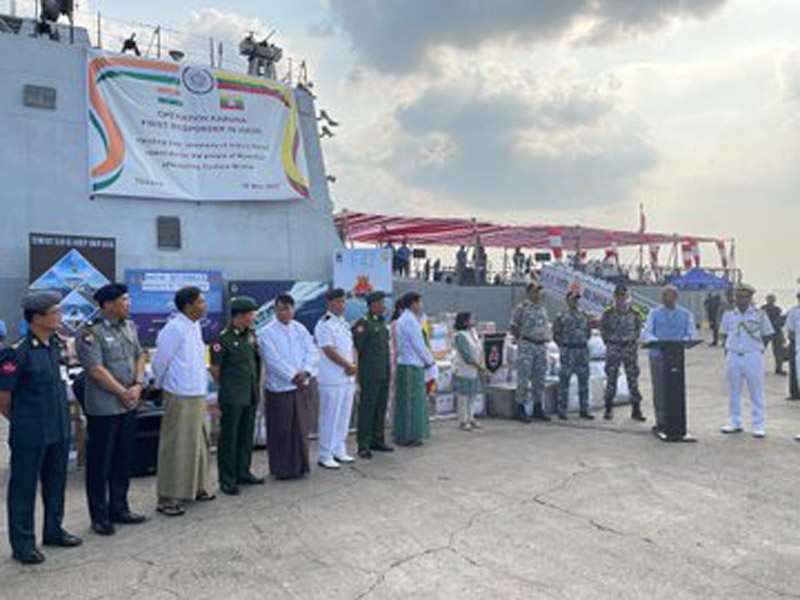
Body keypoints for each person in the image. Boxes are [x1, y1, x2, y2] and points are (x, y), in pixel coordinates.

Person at [0, 292, 82, 564]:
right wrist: (22, 421)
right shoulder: (17, 352)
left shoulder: (57, 345)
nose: (60, 316)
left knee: (56, 483)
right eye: (55, 312)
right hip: (31, 432)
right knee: (23, 489)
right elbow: (3, 397)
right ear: (37, 318)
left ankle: (53, 530)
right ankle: (23, 544)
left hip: (59, 428)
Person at [77, 283, 146, 536]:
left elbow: (140, 355)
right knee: (100, 463)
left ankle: (119, 507)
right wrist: (123, 392)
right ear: (108, 304)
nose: (128, 304)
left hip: (129, 404)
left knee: (123, 458)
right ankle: (99, 516)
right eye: (124, 300)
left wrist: (138, 384)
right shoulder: (90, 332)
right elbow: (96, 370)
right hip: (105, 407)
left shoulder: (129, 326)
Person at [152, 286, 214, 517]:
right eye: (201, 302)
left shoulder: (194, 325)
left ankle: (195, 488)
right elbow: (160, 362)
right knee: (176, 446)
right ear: (188, 306)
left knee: (199, 443)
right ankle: (167, 497)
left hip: (197, 392)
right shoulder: (174, 328)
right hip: (180, 393)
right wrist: (160, 386)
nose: (205, 305)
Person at [258, 294, 318, 480]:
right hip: (280, 388)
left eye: (287, 309)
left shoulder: (300, 328)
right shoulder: (266, 332)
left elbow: (311, 351)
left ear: (293, 309)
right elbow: (272, 360)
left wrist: (306, 371)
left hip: (301, 385)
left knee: (300, 427)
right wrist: (293, 375)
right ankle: (282, 469)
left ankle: (300, 467)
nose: (283, 313)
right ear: (275, 311)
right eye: (280, 309)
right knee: (281, 429)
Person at [210, 296, 264, 496]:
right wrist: (229, 388)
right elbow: (215, 370)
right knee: (229, 438)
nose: (254, 317)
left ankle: (243, 472)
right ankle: (227, 479)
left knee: (246, 435)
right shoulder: (222, 339)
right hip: (232, 397)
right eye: (251, 314)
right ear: (240, 316)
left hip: (250, 394)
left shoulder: (250, 335)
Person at [720, 284, 774, 438]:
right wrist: (728, 352)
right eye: (737, 297)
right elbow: (724, 334)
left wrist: (757, 348)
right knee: (733, 391)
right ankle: (734, 422)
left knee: (756, 391)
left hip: (753, 355)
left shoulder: (759, 315)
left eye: (743, 297)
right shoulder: (729, 315)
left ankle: (758, 425)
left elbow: (767, 334)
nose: (740, 300)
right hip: (733, 355)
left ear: (750, 298)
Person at [641, 285, 697, 435]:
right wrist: (658, 342)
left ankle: (677, 422)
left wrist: (683, 341)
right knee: (659, 389)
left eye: (668, 296)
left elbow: (691, 334)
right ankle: (661, 422)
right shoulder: (654, 313)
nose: (665, 299)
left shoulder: (685, 314)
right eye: (663, 296)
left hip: (676, 356)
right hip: (658, 355)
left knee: (676, 388)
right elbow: (647, 332)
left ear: (675, 297)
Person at [315, 288, 357, 469]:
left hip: (347, 377)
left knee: (343, 416)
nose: (341, 305)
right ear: (329, 303)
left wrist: (353, 366)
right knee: (330, 417)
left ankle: (339, 449)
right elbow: (328, 349)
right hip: (332, 378)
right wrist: (347, 365)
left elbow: (350, 348)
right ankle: (325, 454)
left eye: (343, 301)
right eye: (338, 302)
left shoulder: (343, 323)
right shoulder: (324, 324)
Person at [352, 291, 394, 458]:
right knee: (367, 409)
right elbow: (356, 350)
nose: (384, 306)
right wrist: (356, 375)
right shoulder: (363, 324)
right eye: (381, 303)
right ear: (373, 305)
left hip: (383, 373)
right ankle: (363, 443)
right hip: (369, 374)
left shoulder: (381, 324)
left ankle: (377, 440)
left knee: (380, 408)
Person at [393, 292, 435, 446]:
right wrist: (430, 361)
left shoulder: (408, 319)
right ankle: (409, 436)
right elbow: (419, 345)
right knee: (412, 403)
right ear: (413, 304)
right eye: (420, 302)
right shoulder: (409, 321)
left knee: (410, 402)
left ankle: (407, 434)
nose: (421, 306)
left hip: (409, 363)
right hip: (411, 365)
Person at [600, 284, 646, 422]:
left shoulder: (635, 313)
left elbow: (638, 329)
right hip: (614, 347)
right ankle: (608, 408)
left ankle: (636, 409)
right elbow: (603, 330)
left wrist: (631, 341)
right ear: (614, 297)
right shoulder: (608, 313)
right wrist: (610, 343)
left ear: (627, 297)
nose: (621, 299)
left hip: (629, 348)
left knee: (632, 379)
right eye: (618, 296)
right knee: (611, 378)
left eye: (623, 296)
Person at [510, 282, 551, 423]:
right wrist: (522, 340)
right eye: (534, 291)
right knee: (524, 378)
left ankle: (537, 407)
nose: (537, 294)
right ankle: (520, 408)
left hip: (540, 346)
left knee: (539, 379)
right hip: (527, 345)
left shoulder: (542, 309)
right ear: (528, 293)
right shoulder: (521, 308)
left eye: (539, 292)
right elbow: (514, 327)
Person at [552, 290, 594, 420]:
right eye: (573, 299)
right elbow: (556, 334)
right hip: (568, 351)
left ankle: (584, 409)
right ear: (567, 301)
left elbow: (588, 332)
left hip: (582, 351)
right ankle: (562, 410)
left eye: (577, 299)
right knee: (564, 381)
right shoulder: (561, 316)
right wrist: (564, 346)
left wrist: (582, 341)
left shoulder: (584, 315)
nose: (575, 302)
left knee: (584, 381)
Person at [452, 312, 486, 431]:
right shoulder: (460, 335)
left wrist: (481, 364)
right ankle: (463, 420)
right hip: (464, 369)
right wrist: (478, 366)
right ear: (465, 321)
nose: (473, 320)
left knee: (472, 395)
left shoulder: (473, 333)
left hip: (474, 370)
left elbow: (479, 349)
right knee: (463, 396)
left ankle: (471, 418)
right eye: (471, 319)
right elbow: (466, 355)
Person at [761, 294, 786, 375]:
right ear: (767, 300)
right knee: (759, 350)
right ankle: (755, 366)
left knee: (779, 352)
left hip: (776, 332)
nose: (771, 301)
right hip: (766, 332)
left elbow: (780, 322)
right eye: (770, 299)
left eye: (772, 299)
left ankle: (779, 369)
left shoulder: (777, 309)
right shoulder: (763, 309)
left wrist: (782, 336)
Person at [787, 291, 800, 402]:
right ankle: (795, 393)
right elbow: (790, 331)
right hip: (796, 344)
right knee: (794, 369)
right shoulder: (794, 312)